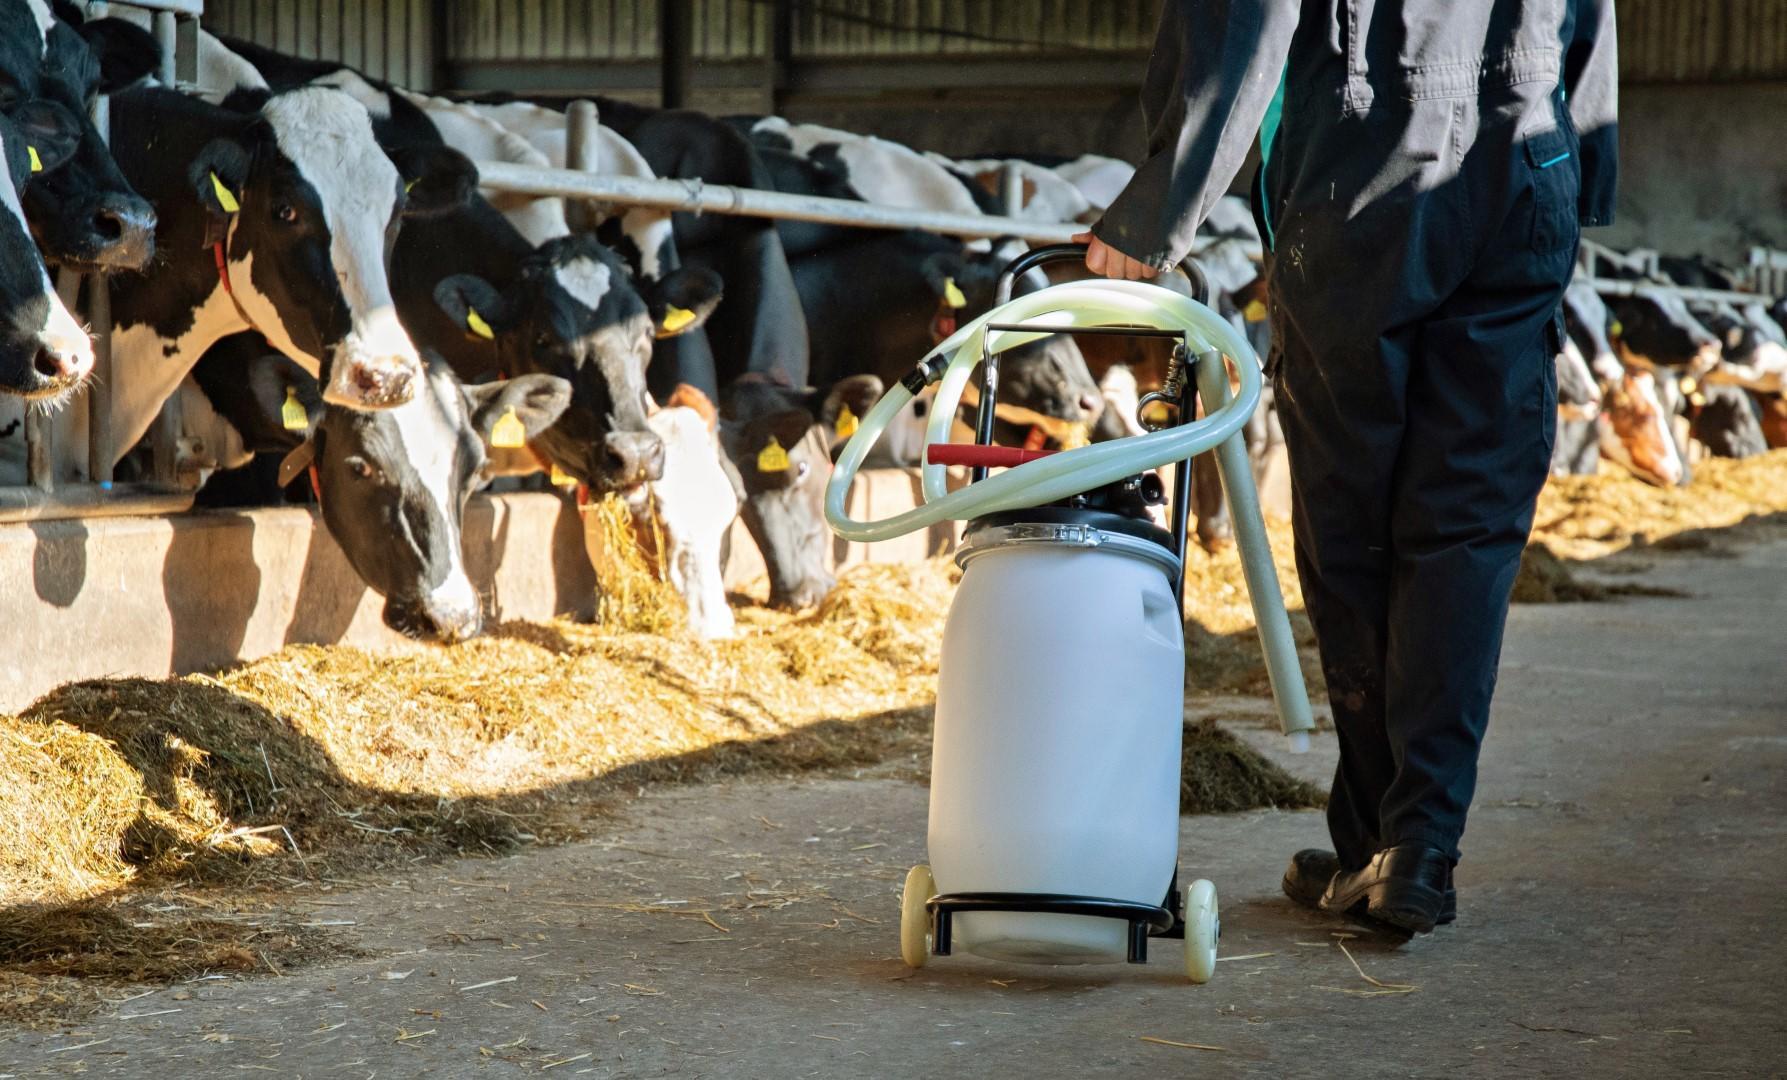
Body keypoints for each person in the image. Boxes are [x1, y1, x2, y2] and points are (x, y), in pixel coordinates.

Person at [1077, 0, 1618, 937]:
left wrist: (1163, 202)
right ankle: (1412, 845)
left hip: (1363, 162)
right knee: (1467, 524)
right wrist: (1588, 157)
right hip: (1529, 154)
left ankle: (1385, 838)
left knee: (1352, 511)